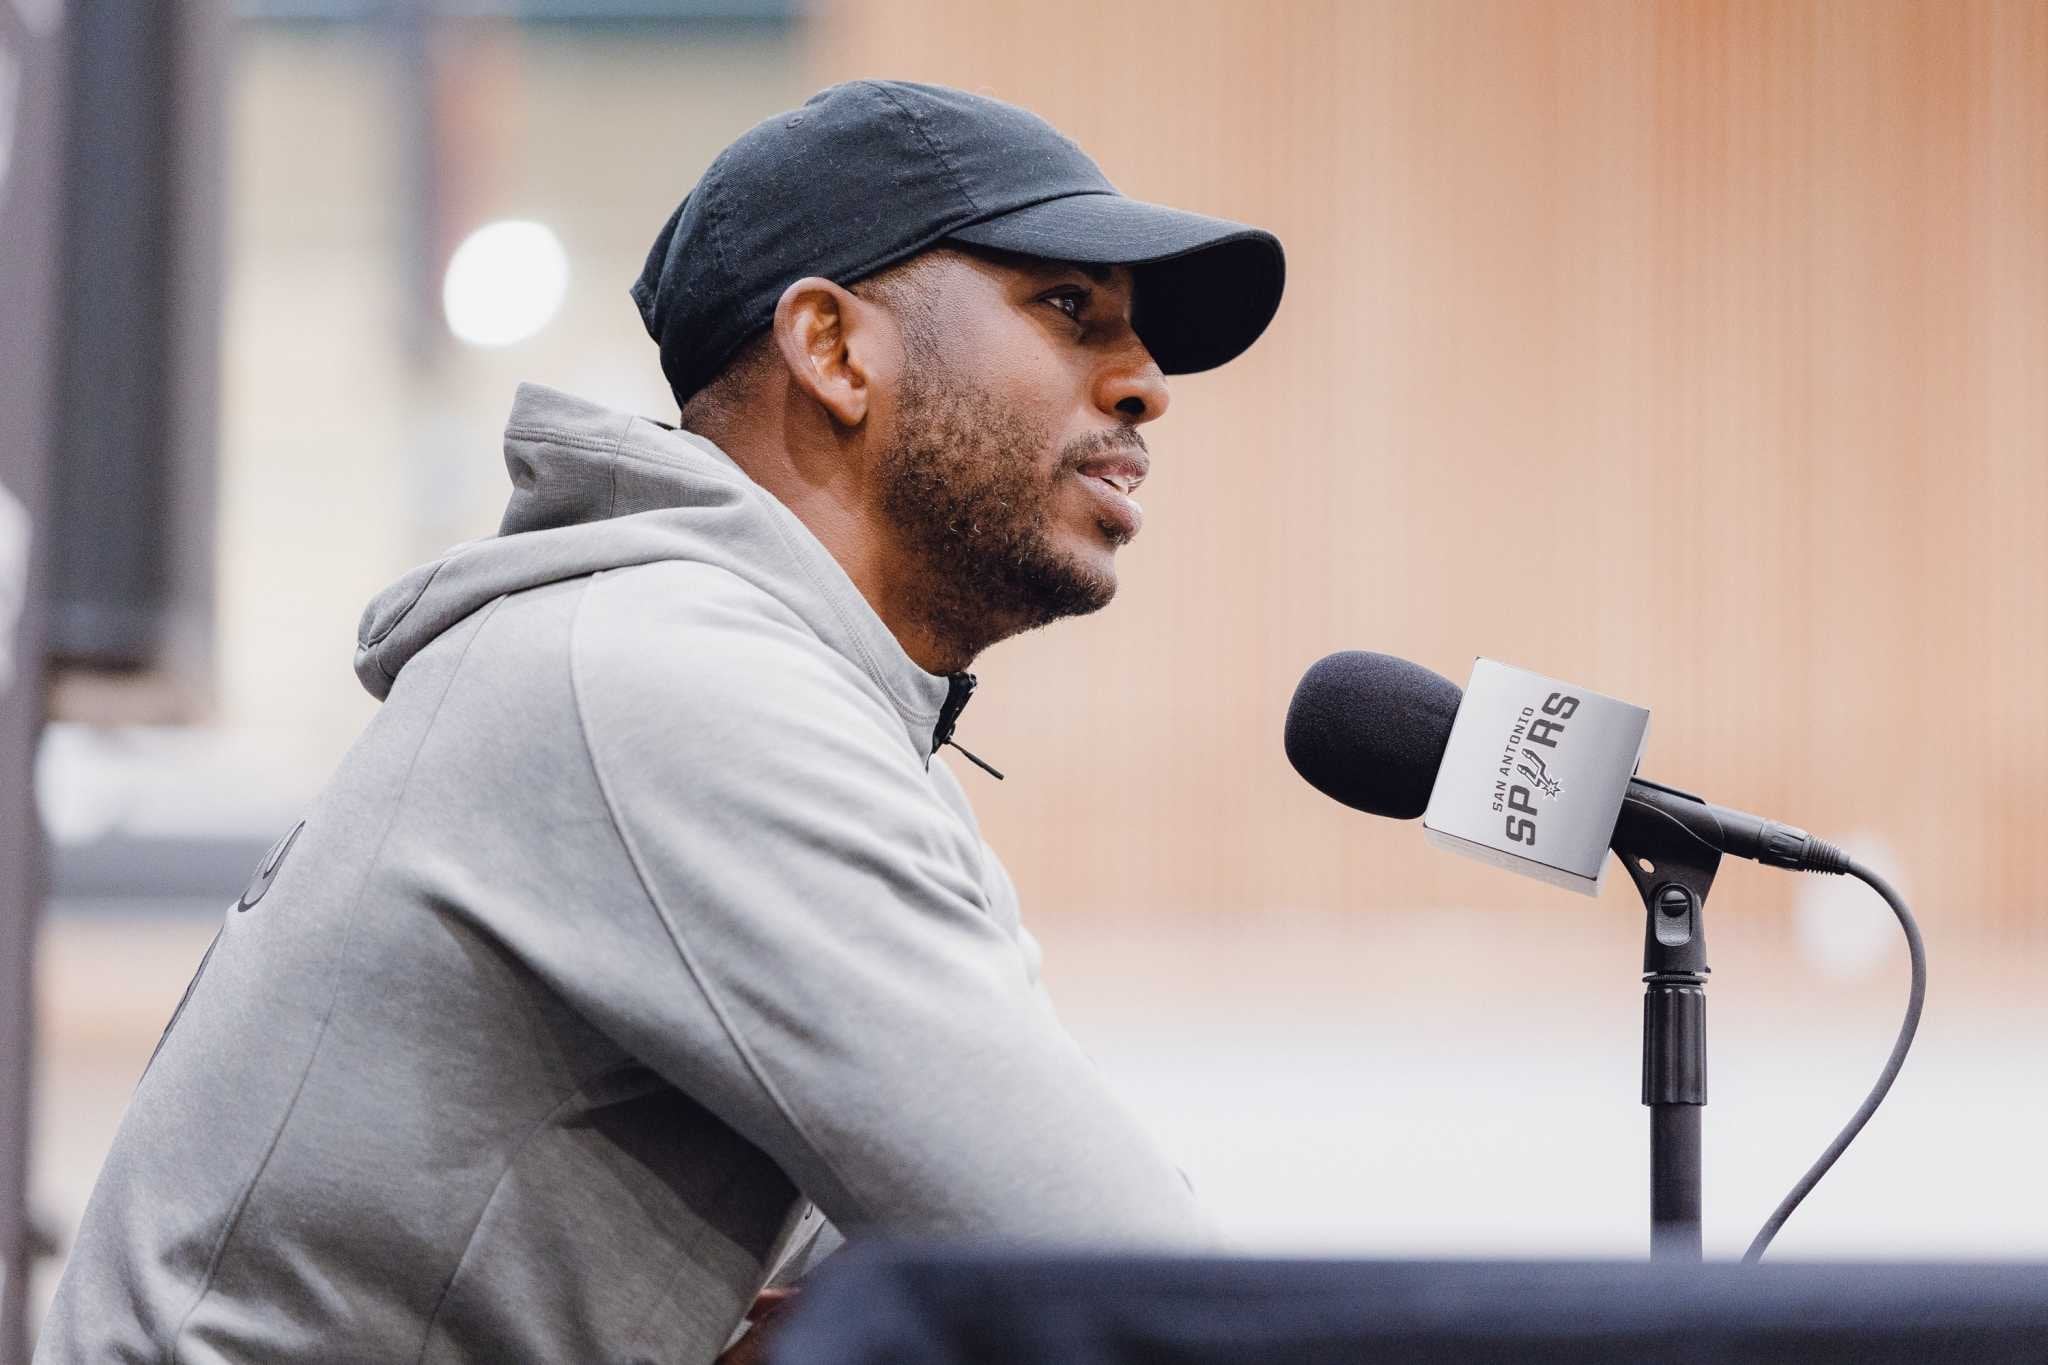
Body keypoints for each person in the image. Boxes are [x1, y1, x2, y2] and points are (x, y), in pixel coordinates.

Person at [35, 79, 1284, 1363]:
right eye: (1068, 309)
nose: (1144, 386)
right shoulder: (680, 683)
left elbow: (986, 1270)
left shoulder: (775, 700)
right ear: (833, 349)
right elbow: (1128, 1285)